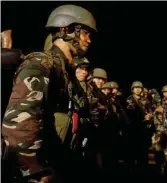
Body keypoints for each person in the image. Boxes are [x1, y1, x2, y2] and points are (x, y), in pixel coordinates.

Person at [1, 4, 97, 183]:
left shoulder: (65, 73)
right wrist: (34, 169)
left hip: (58, 163)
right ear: (65, 29)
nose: (89, 40)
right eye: (86, 33)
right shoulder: (42, 63)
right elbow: (20, 121)